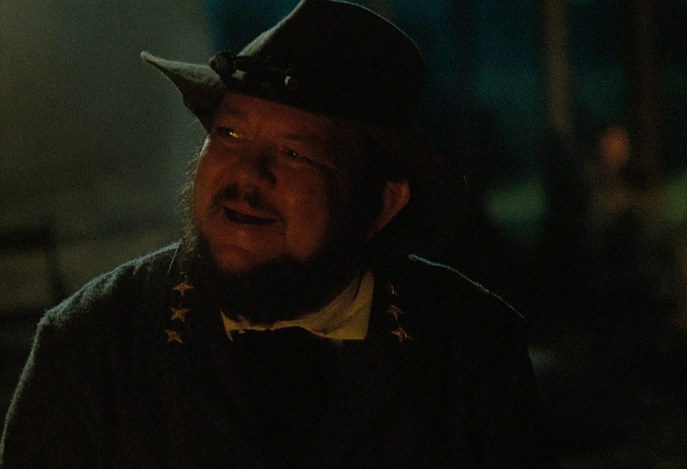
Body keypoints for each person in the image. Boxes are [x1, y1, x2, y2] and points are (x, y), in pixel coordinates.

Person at [0, 1, 553, 467]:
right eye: (230, 134)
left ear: (381, 204)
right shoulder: (91, 347)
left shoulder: (471, 349)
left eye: (294, 153)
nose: (245, 176)